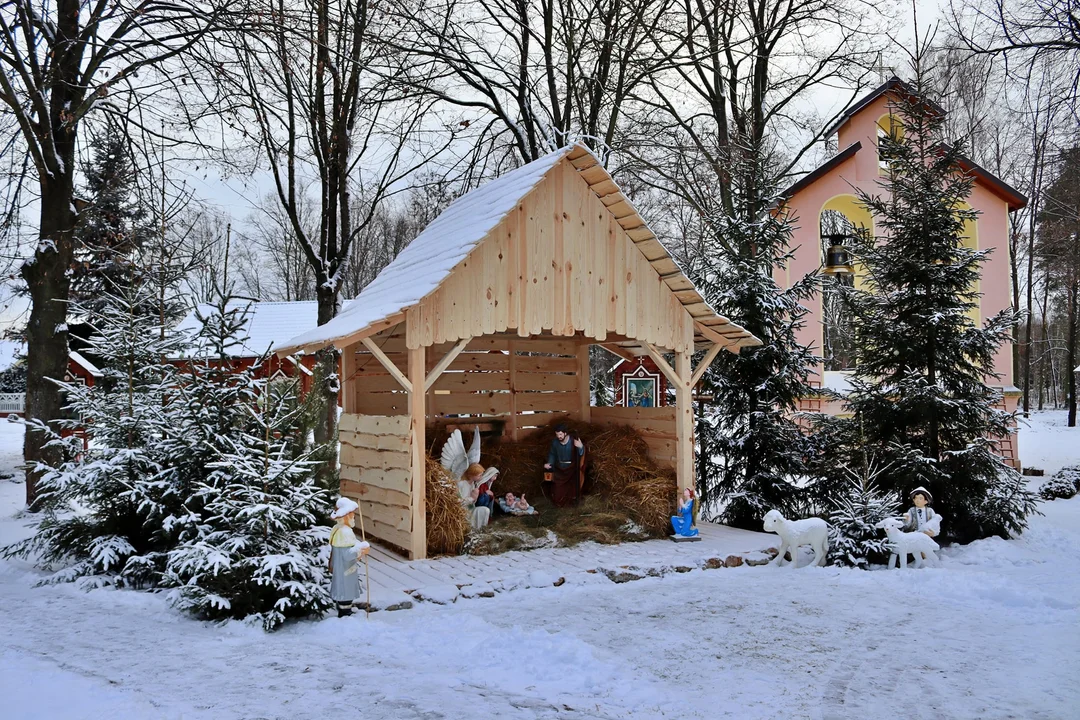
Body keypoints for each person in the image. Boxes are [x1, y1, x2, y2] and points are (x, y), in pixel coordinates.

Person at [328, 497, 370, 617]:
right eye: (351, 515)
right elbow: (347, 555)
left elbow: (350, 544)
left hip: (341, 568)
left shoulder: (339, 529)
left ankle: (344, 609)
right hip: (345, 569)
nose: (353, 517)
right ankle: (345, 613)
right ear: (346, 516)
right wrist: (361, 549)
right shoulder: (344, 532)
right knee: (345, 591)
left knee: (344, 590)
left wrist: (358, 545)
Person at [544, 423, 586, 507]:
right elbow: (552, 454)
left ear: (565, 433)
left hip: (571, 469)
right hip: (560, 469)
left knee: (573, 488)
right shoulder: (555, 443)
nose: (559, 436)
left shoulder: (573, 441)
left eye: (560, 434)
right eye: (557, 435)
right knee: (558, 492)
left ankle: (572, 502)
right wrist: (550, 463)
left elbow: (582, 453)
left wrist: (581, 446)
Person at [458, 463, 492, 529]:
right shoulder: (461, 484)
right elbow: (458, 502)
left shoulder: (473, 484)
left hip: (471, 509)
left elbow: (473, 502)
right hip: (463, 513)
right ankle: (473, 529)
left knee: (486, 510)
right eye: (479, 475)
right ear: (471, 475)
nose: (481, 477)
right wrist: (472, 498)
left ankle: (481, 528)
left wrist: (475, 498)